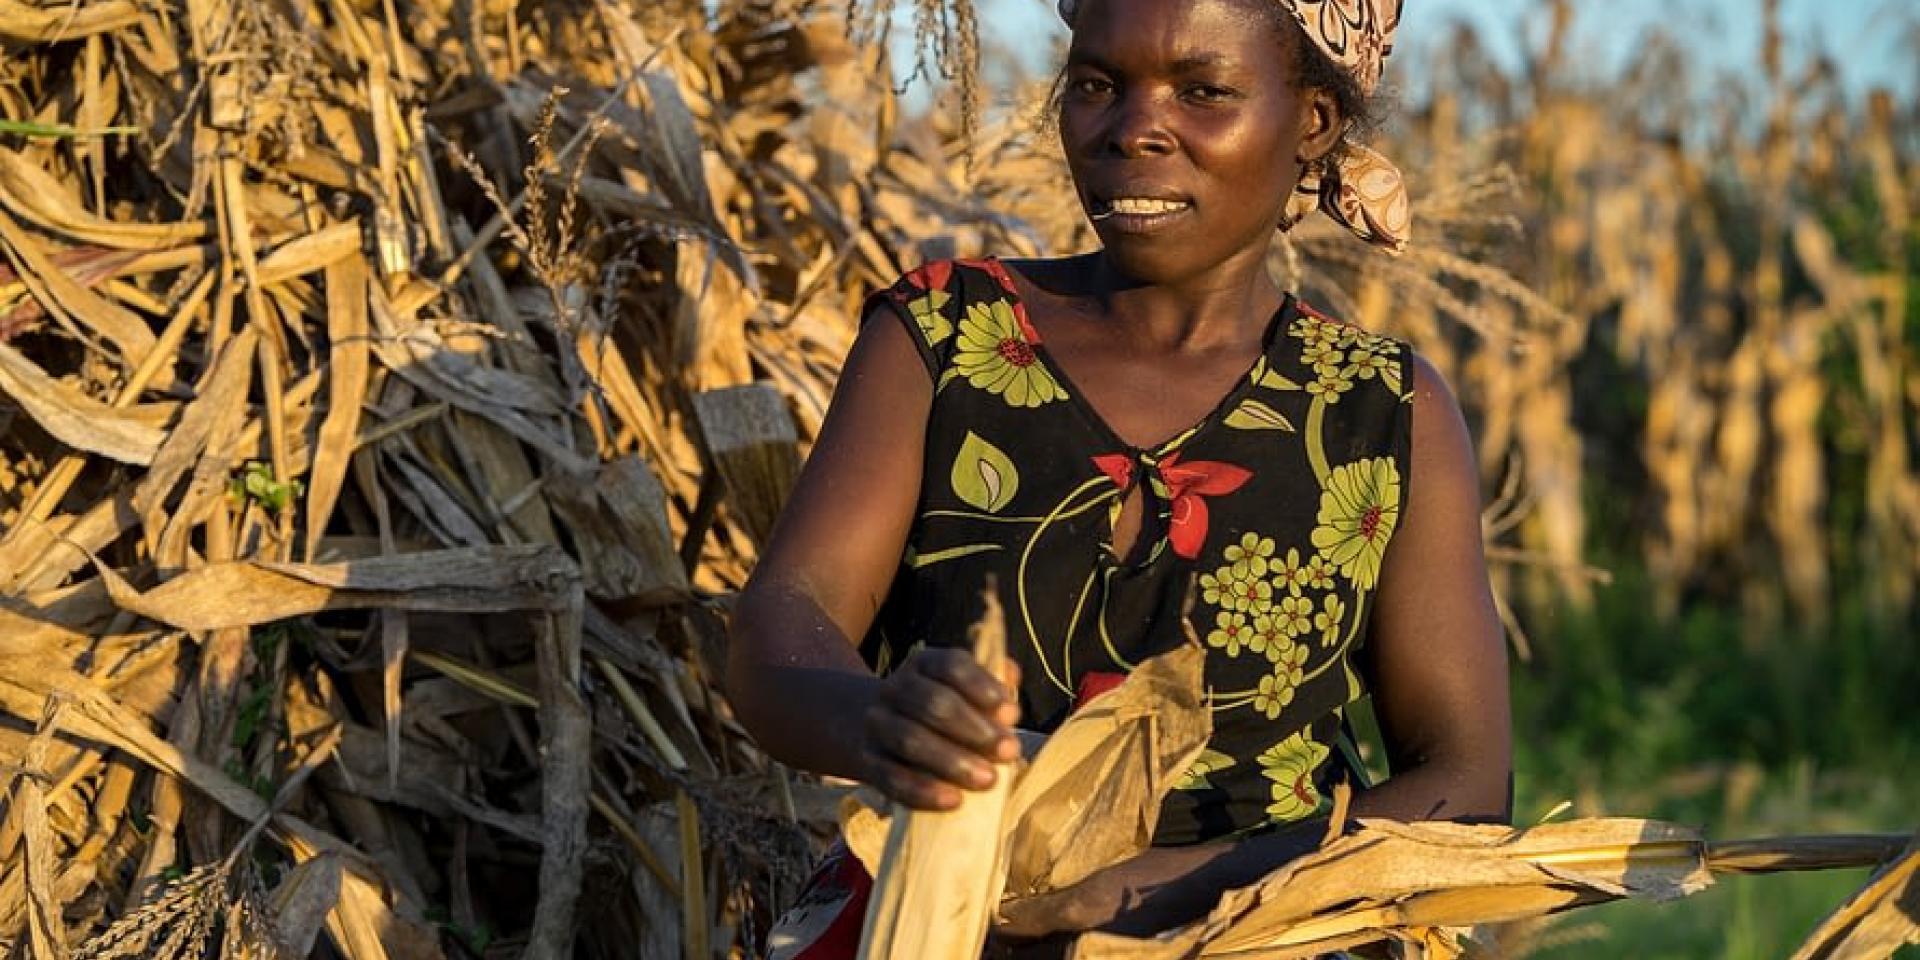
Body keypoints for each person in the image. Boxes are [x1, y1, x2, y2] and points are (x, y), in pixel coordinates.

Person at [729, 0, 1510, 952]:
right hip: (946, 914)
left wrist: (1156, 890)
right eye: (1097, 84)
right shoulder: (946, 337)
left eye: (1203, 91)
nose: (1133, 128)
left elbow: (1466, 784)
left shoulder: (1381, 412)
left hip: (1264, 928)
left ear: (1313, 122)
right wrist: (885, 719)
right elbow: (783, 624)